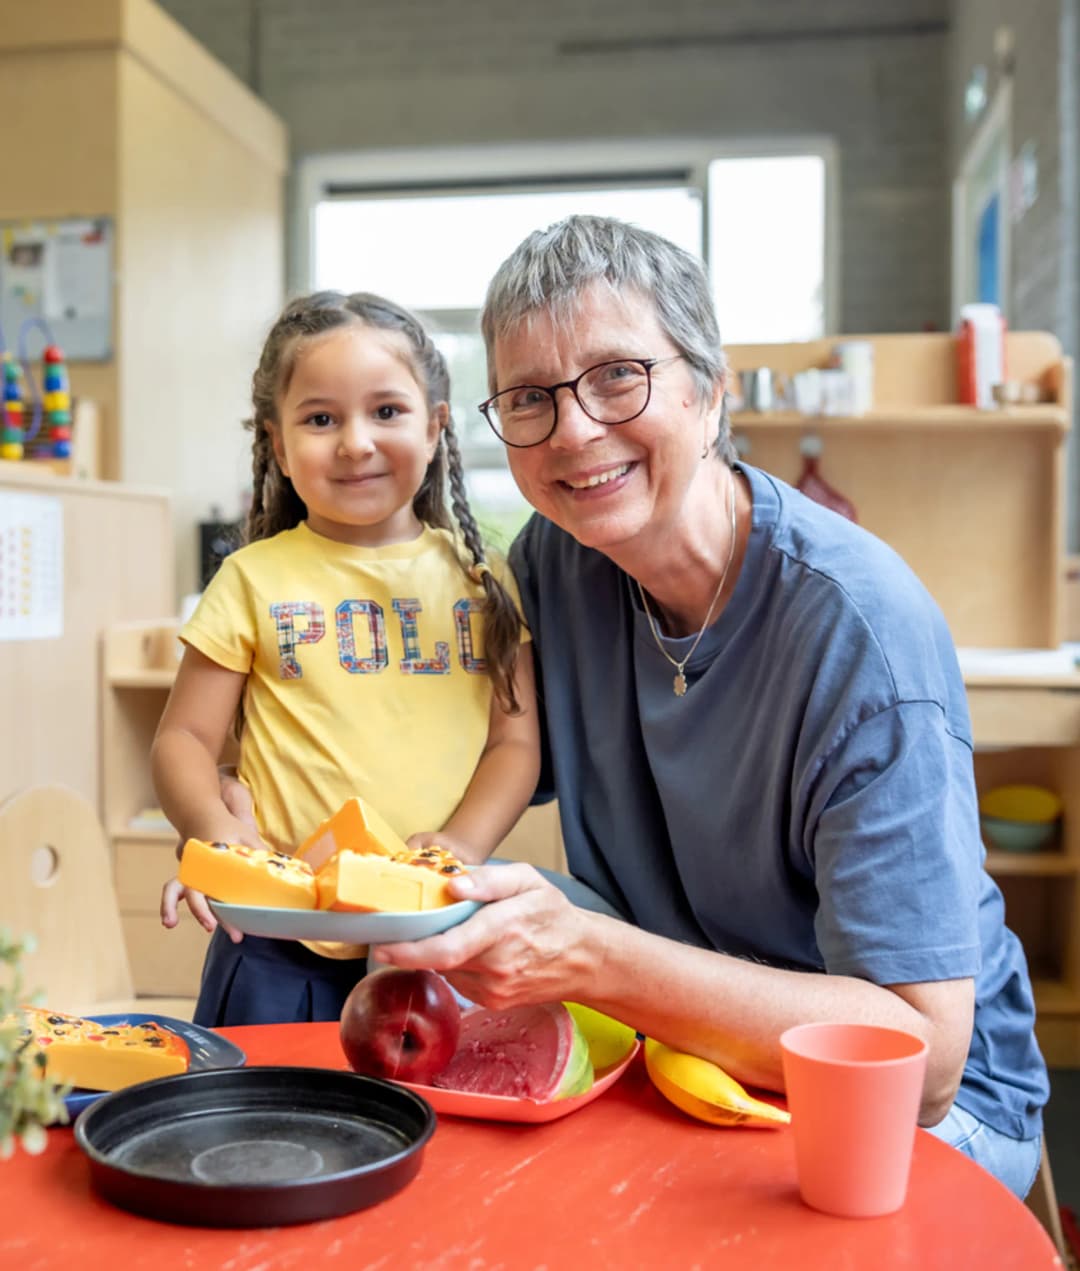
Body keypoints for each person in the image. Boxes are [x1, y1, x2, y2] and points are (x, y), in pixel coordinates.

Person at [364, 215, 1048, 1199]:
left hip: (929, 1106)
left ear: (710, 387)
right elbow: (448, 767)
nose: (574, 432)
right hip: (693, 1037)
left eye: (616, 377)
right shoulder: (558, 564)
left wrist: (591, 955)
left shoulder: (857, 631)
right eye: (528, 399)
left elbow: (924, 1057)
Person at [154, 291, 540, 1026]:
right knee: (262, 1132)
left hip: (432, 937)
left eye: (386, 412)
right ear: (277, 441)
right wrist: (212, 824)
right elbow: (183, 739)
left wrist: (461, 844)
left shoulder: (484, 577)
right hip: (273, 940)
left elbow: (514, 741)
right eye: (321, 418)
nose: (355, 442)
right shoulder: (251, 577)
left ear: (435, 428)